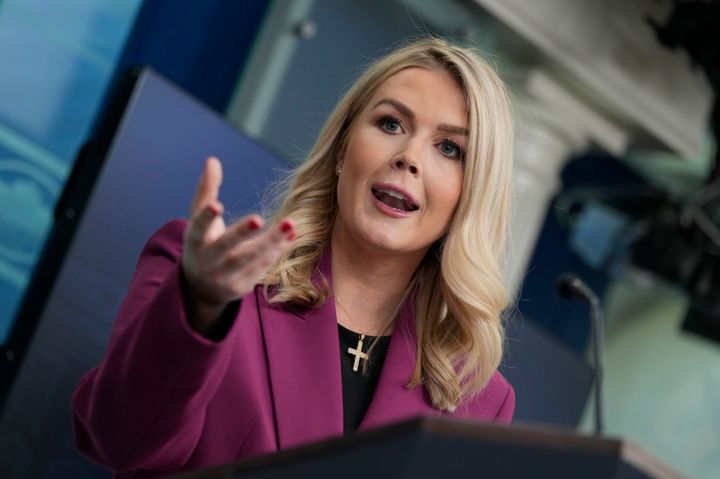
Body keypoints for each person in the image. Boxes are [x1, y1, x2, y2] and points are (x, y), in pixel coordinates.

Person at [72, 37, 516, 478]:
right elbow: (116, 441)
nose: (409, 157)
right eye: (391, 124)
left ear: (470, 195)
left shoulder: (482, 402)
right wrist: (199, 306)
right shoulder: (199, 278)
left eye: (450, 149)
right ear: (342, 150)